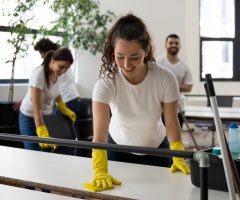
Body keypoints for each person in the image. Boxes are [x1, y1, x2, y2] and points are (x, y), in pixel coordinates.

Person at [83, 14, 190, 192]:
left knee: (161, 194)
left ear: (146, 50)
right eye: (120, 56)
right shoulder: (105, 83)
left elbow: (171, 122)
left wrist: (177, 154)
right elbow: (100, 133)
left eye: (134, 57)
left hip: (157, 148)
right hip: (117, 147)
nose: (126, 64)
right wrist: (100, 169)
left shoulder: (165, 78)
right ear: (112, 52)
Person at [15, 38, 81, 138]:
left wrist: (64, 108)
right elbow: (36, 109)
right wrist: (41, 130)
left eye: (66, 69)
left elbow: (56, 93)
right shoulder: (39, 75)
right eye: (61, 66)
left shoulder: (57, 74)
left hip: (46, 116)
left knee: (48, 151)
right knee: (33, 151)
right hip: (30, 117)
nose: (63, 71)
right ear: (53, 60)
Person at [156, 34, 193, 128]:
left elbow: (189, 87)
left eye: (176, 43)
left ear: (180, 45)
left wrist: (171, 85)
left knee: (175, 138)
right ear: (165, 45)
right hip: (159, 108)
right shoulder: (157, 63)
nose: (173, 45)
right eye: (171, 43)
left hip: (178, 108)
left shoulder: (184, 67)